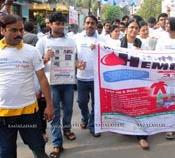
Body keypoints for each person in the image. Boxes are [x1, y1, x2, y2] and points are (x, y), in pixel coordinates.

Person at [0, 14, 54, 158]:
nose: (19, 34)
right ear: (2, 30)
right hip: (3, 115)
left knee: (38, 148)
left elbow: (42, 79)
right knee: (6, 152)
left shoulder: (31, 51)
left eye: (21, 30)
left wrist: (49, 105)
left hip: (28, 113)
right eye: (13, 30)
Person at [36, 12, 77, 158]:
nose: (60, 26)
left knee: (68, 109)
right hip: (51, 83)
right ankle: (57, 143)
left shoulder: (70, 41)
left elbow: (74, 60)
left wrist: (80, 64)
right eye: (57, 23)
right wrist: (46, 58)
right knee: (53, 113)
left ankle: (66, 129)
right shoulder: (42, 42)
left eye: (62, 23)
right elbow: (36, 64)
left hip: (67, 82)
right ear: (50, 24)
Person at [155, 17, 175, 140]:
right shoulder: (162, 39)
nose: (165, 24)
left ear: (174, 25)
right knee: (165, 99)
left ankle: (173, 124)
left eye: (168, 23)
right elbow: (157, 55)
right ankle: (166, 125)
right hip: (164, 74)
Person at [74, 15, 107, 137]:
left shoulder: (102, 40)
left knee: (95, 104)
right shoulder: (76, 38)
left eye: (92, 23)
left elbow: (108, 55)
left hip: (97, 78)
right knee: (81, 102)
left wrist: (99, 49)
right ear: (84, 25)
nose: (90, 25)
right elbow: (73, 55)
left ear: (96, 25)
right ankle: (84, 117)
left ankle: (93, 126)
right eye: (87, 22)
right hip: (81, 77)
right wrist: (77, 64)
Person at [120, 17, 149, 149]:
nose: (134, 30)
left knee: (139, 108)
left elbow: (151, 60)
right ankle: (127, 129)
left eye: (136, 28)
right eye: (131, 27)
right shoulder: (118, 43)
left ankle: (142, 137)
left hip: (138, 80)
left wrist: (143, 54)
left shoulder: (142, 44)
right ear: (126, 29)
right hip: (123, 80)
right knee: (126, 107)